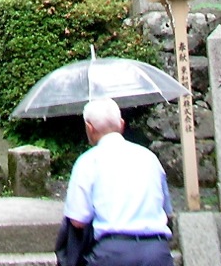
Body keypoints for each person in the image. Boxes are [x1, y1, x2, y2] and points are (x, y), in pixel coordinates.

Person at [63, 96, 173, 266]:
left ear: (89, 128)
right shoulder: (149, 158)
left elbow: (77, 221)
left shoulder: (87, 162)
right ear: (122, 124)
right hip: (156, 252)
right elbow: (166, 210)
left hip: (112, 253)